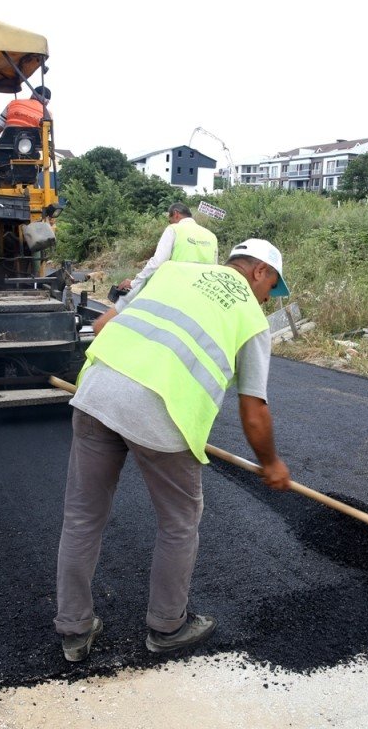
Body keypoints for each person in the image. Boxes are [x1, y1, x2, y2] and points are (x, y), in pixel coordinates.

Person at [55, 238, 292, 662]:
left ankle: (74, 629)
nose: (267, 298)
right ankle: (167, 627)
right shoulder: (251, 320)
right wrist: (272, 463)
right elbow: (254, 410)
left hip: (96, 392)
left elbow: (105, 326)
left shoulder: (173, 272)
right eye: (270, 286)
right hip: (161, 414)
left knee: (82, 517)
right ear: (259, 271)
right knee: (180, 523)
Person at [118, 203, 218, 293]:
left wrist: (135, 283)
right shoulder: (211, 236)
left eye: (170, 221)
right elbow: (215, 268)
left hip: (178, 289)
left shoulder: (174, 229)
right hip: (202, 291)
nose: (170, 223)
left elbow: (158, 262)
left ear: (176, 214)